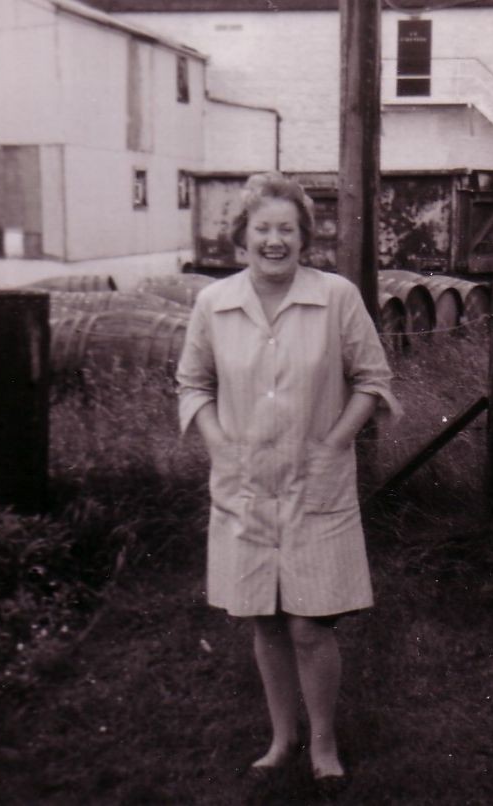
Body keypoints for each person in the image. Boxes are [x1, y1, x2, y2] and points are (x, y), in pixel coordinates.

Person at [176, 172, 401, 795]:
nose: (274, 240)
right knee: (266, 621)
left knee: (309, 624)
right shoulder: (213, 305)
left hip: (316, 483)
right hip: (244, 484)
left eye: (286, 229)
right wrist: (222, 447)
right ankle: (282, 738)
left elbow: (373, 379)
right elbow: (193, 384)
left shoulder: (336, 298)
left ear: (304, 238)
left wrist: (334, 443)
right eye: (262, 229)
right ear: (242, 237)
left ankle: (323, 740)